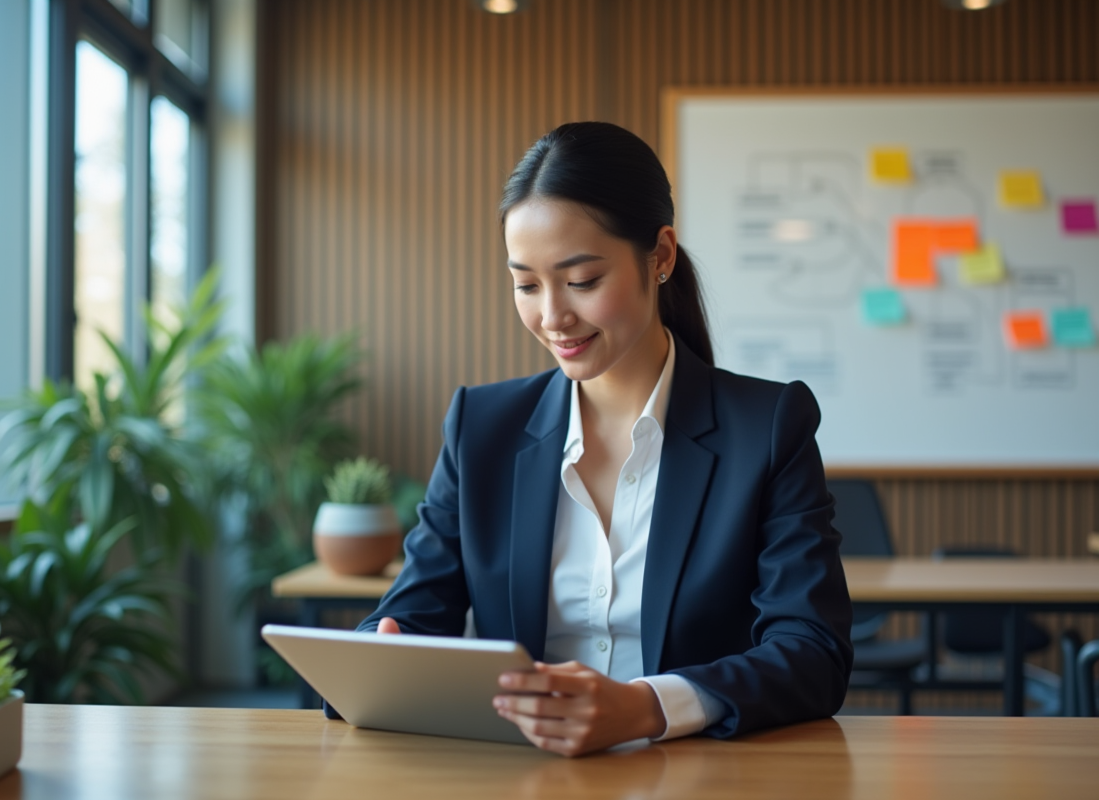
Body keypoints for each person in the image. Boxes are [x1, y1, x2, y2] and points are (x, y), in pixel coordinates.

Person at [349, 121, 853, 757]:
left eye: (581, 280)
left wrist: (646, 707)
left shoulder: (768, 426)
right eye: (526, 284)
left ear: (661, 256)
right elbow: (412, 615)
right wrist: (381, 653)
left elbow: (813, 654)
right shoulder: (483, 427)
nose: (552, 316)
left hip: (701, 775)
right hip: (525, 776)